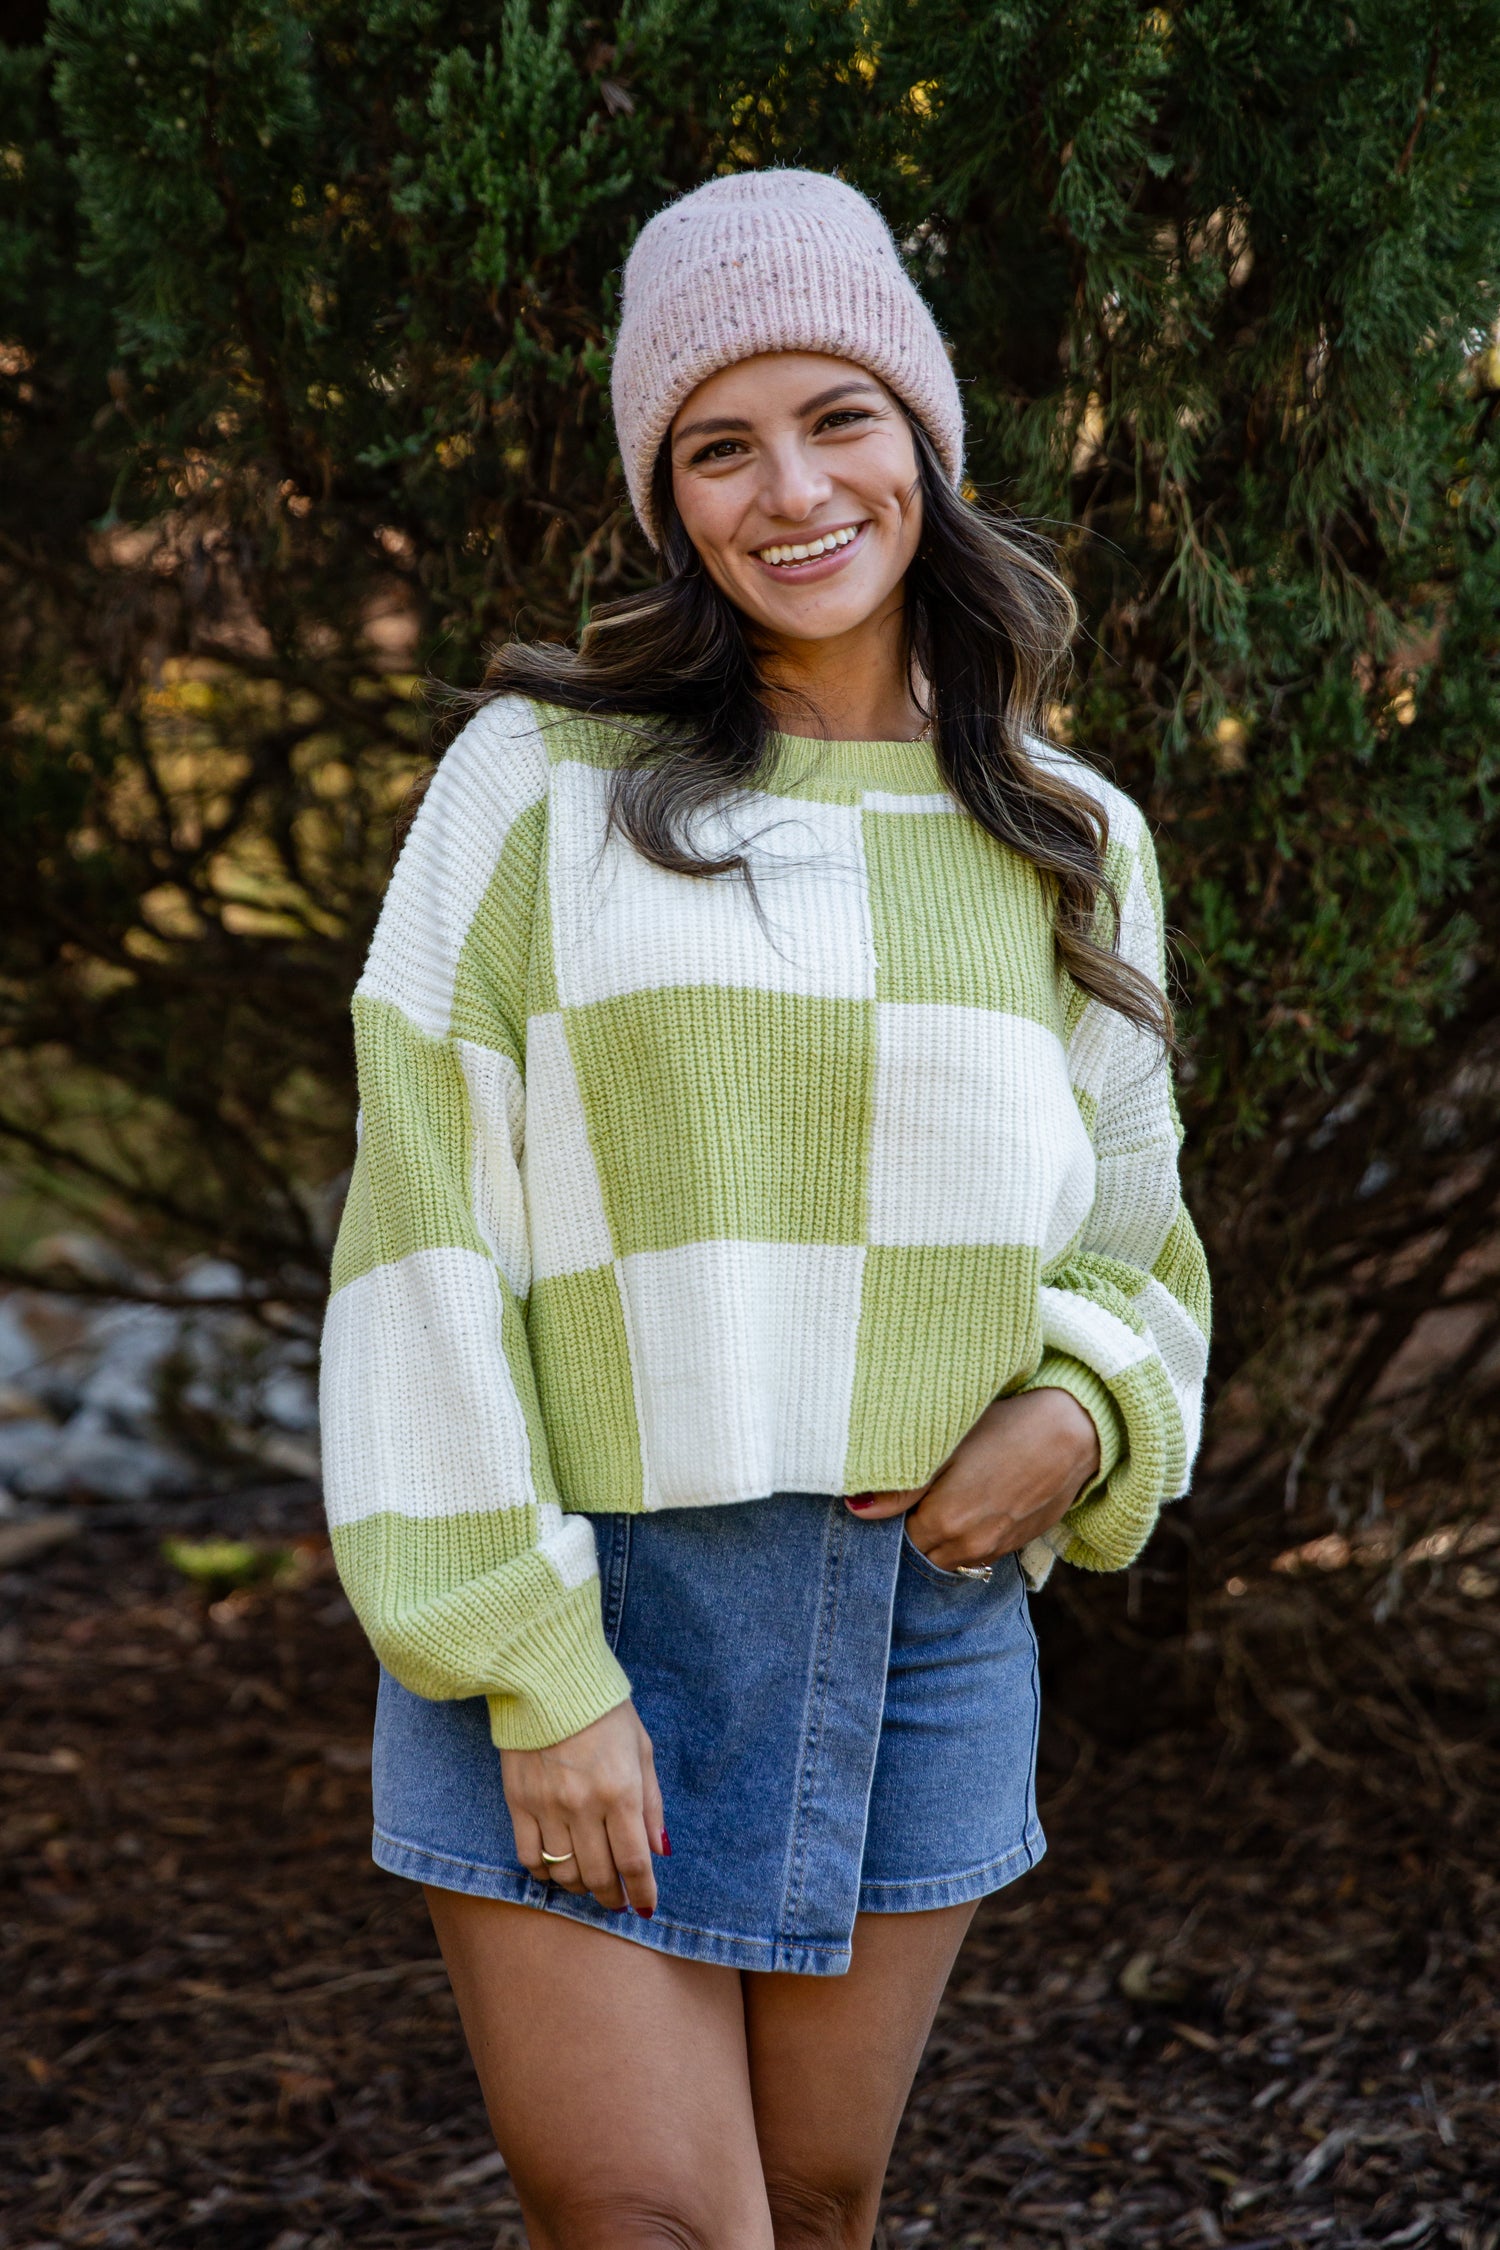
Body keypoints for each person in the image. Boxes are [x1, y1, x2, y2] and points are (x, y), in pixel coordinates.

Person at [319, 168, 1210, 2250]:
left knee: (817, 2203)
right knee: (658, 2220)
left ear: (927, 444)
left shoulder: (1071, 836)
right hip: (584, 1590)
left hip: (925, 1626)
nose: (791, 488)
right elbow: (421, 1232)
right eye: (720, 444)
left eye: (842, 417)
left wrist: (1083, 1412)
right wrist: (531, 1662)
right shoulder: (535, 785)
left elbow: (1139, 1250)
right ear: (665, 497)